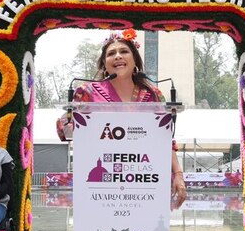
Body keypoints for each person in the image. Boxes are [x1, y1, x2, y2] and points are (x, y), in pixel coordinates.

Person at [55, 30, 187, 208]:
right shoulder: (87, 92)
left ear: (135, 60)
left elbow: (165, 138)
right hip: (102, 183)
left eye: (124, 51)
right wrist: (68, 123)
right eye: (111, 53)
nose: (118, 56)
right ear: (104, 63)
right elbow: (66, 128)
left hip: (144, 178)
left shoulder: (153, 94)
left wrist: (178, 174)